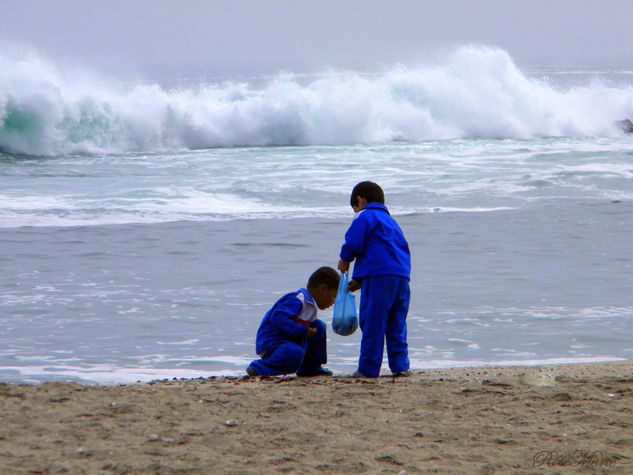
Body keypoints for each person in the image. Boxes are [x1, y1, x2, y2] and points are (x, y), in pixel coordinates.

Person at [338, 181, 411, 378]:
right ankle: (400, 366)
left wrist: (345, 259)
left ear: (360, 201)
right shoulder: (391, 222)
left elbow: (354, 242)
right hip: (401, 277)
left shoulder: (365, 215)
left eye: (354, 207)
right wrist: (360, 280)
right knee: (396, 323)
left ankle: (368, 369)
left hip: (379, 278)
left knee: (373, 322)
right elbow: (383, 252)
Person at [246, 266, 339, 377]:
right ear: (323, 288)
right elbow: (277, 317)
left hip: (289, 342)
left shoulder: (310, 307)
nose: (333, 301)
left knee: (319, 326)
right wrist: (302, 330)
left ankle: (310, 368)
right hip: (273, 343)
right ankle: (259, 368)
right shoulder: (298, 300)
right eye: (333, 296)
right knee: (295, 353)